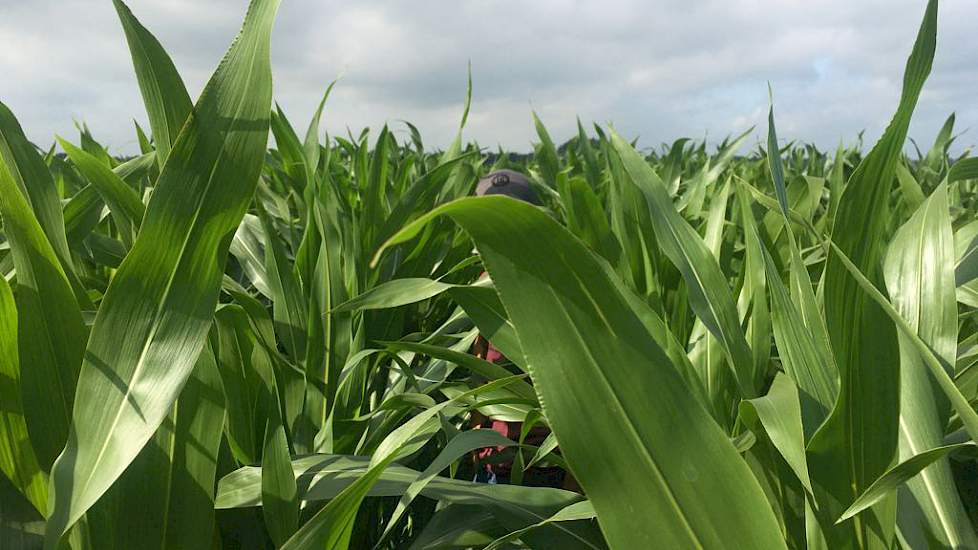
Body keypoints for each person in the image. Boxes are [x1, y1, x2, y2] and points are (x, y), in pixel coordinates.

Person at [468, 170, 575, 490]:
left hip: (548, 470)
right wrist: (475, 436)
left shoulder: (561, 294)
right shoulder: (480, 289)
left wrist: (575, 478)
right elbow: (480, 369)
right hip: (493, 465)